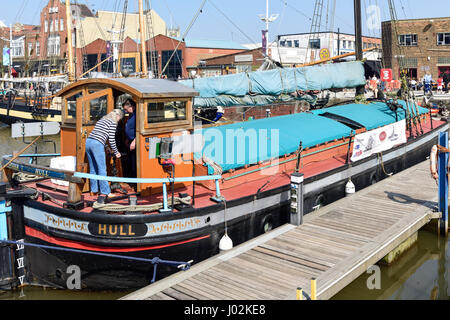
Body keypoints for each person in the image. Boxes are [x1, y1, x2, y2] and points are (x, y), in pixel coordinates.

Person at [85, 109, 124, 202]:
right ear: (118, 116)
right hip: (97, 144)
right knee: (102, 169)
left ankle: (93, 190)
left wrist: (106, 146)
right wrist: (116, 152)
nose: (119, 120)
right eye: (120, 119)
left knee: (93, 168)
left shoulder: (102, 120)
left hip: (88, 142)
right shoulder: (113, 123)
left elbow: (99, 134)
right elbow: (111, 139)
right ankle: (106, 192)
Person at [122, 99, 137, 179]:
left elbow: (139, 130)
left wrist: (134, 141)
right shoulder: (131, 114)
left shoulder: (137, 114)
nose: (125, 111)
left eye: (126, 109)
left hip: (135, 142)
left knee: (135, 162)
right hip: (130, 141)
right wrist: (127, 139)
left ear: (131, 107)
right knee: (131, 161)